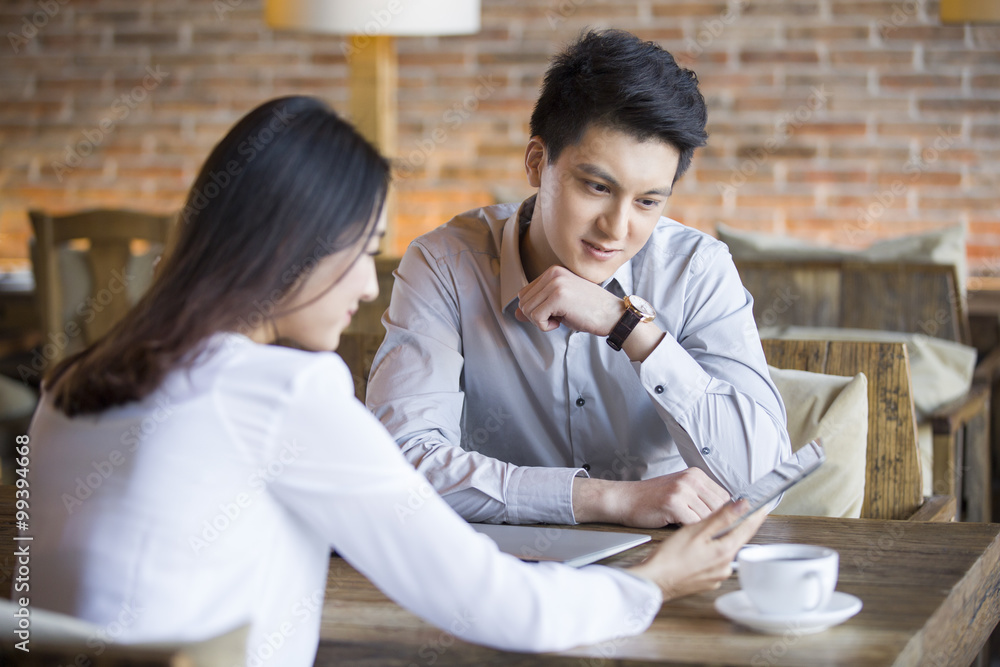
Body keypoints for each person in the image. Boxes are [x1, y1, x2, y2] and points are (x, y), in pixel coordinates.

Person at [27, 96, 765, 666]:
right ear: (285, 249)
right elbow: (493, 601)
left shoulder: (69, 388)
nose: (367, 289)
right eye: (357, 255)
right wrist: (655, 581)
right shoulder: (282, 393)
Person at [366, 29, 792, 528]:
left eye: (648, 202)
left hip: (668, 568)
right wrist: (610, 500)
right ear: (537, 162)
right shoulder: (445, 263)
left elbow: (765, 485)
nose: (616, 228)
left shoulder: (696, 269)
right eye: (596, 186)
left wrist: (631, 328)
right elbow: (400, 466)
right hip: (501, 572)